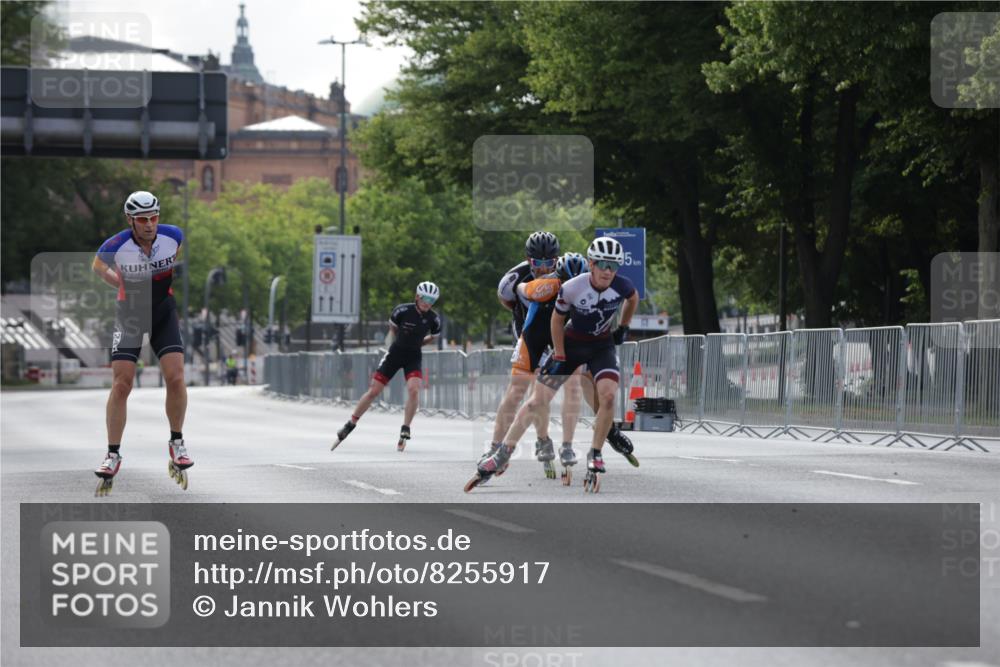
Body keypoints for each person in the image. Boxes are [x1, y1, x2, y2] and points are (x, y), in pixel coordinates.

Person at [467, 237, 639, 493]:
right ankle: (498, 451)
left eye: (612, 266)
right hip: (537, 335)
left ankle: (601, 437)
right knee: (521, 393)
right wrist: (528, 294)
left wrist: (622, 329)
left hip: (588, 342)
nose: (607, 271)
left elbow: (631, 298)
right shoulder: (541, 283)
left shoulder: (618, 285)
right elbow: (519, 296)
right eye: (602, 265)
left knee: (591, 388)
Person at [91, 191, 192, 495]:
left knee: (175, 377)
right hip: (130, 313)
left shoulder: (173, 236)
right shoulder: (115, 245)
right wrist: (121, 283)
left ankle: (177, 442)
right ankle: (112, 454)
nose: (149, 225)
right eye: (142, 220)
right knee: (122, 384)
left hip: (163, 311)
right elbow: (97, 267)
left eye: (153, 218)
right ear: (131, 220)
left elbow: (171, 263)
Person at [485, 231, 565, 474]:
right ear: (528, 260)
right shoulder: (512, 279)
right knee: (516, 390)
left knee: (539, 389)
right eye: (536, 263)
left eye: (548, 263)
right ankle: (495, 447)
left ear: (556, 260)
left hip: (554, 333)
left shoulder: (565, 273)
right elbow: (507, 301)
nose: (542, 269)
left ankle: (543, 439)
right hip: (527, 333)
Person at [332, 281, 442, 452]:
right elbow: (393, 328)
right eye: (425, 299)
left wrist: (419, 342)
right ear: (417, 297)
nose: (428, 303)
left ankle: (406, 427)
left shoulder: (434, 319)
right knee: (374, 391)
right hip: (395, 354)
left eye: (432, 300)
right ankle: (351, 423)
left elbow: (433, 337)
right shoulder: (402, 311)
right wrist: (398, 340)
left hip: (413, 356)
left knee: (414, 389)